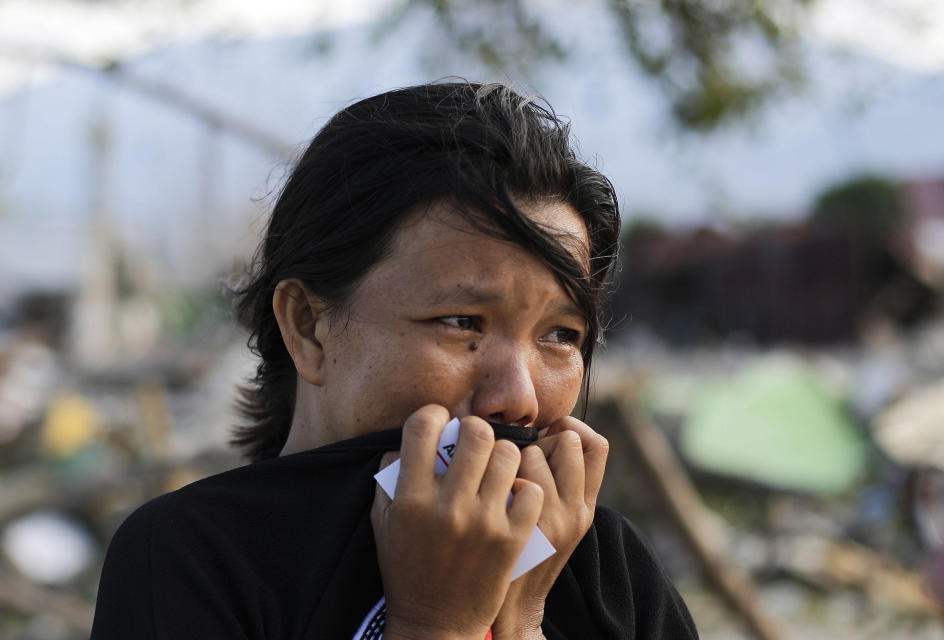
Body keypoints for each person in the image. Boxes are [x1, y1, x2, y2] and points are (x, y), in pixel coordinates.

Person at [91, 82, 698, 639]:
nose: (519, 397)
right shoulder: (197, 557)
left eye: (561, 336)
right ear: (309, 326)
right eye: (463, 323)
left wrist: (526, 620)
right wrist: (435, 624)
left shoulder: (600, 567)